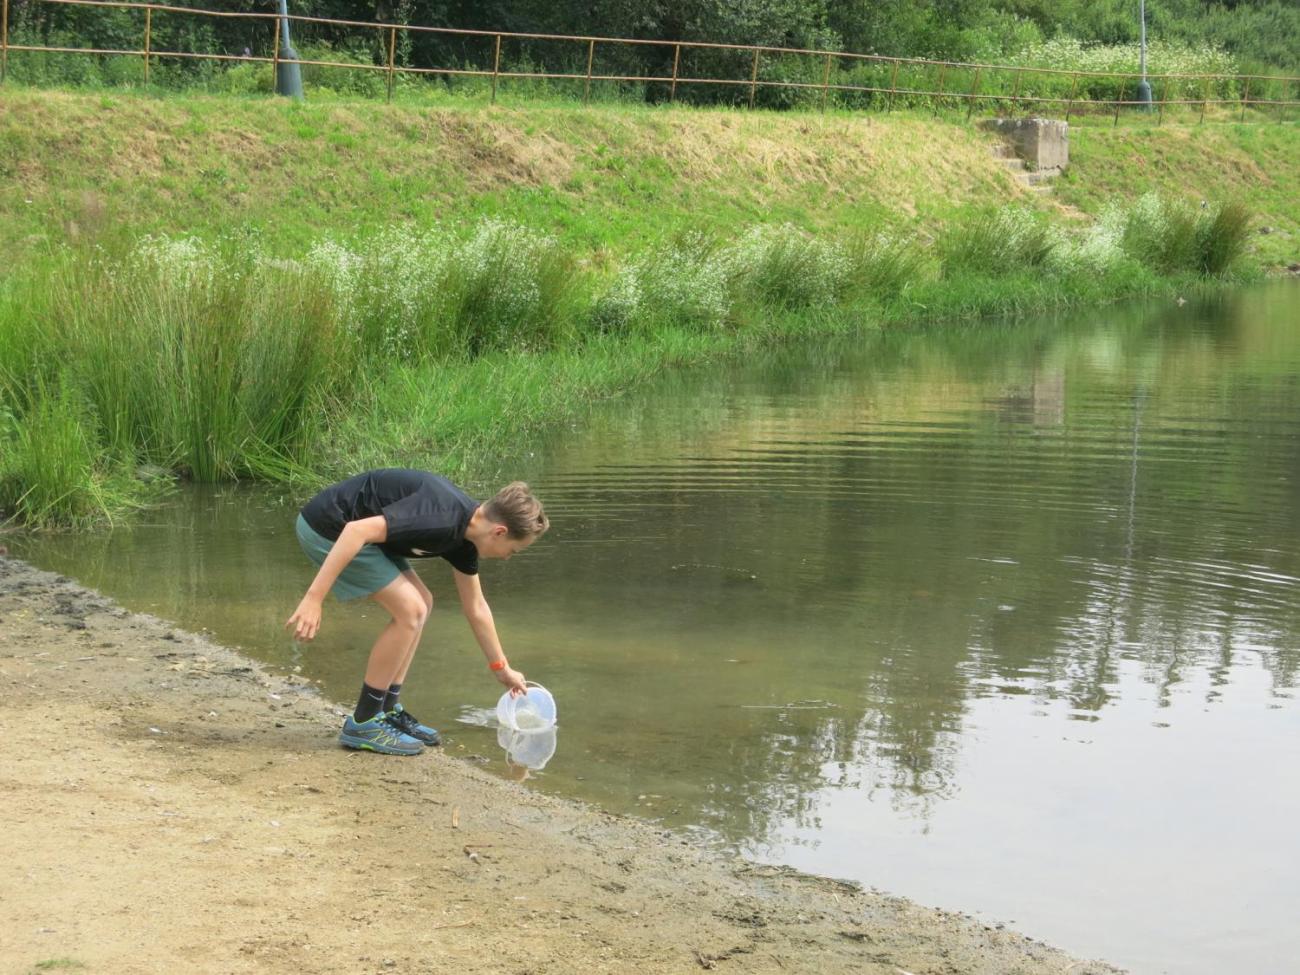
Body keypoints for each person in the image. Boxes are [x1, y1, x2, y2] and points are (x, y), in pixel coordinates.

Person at [286, 469, 548, 756]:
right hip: (328, 528)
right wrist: (314, 598)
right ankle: (364, 721)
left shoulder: (465, 537)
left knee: (423, 600)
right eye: (513, 550)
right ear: (500, 532)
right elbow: (355, 530)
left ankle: (386, 710)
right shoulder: (441, 517)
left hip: (359, 536)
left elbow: (476, 607)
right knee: (410, 610)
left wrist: (502, 669)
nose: (508, 558)